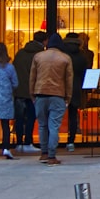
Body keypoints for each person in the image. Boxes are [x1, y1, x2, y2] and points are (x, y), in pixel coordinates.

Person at [30, 33, 73, 165]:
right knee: (54, 126)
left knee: (42, 125)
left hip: (40, 93)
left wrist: (32, 94)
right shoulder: (65, 58)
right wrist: (68, 98)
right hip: (58, 94)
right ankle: (52, 155)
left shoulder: (38, 56)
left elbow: (33, 77)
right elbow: (68, 80)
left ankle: (43, 153)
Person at [12, 31, 46, 153]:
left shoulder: (20, 53)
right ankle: (28, 141)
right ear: (44, 41)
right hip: (33, 91)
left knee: (19, 118)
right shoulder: (40, 55)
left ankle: (18, 142)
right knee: (31, 117)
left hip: (19, 90)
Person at [61, 32, 89, 152]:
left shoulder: (61, 54)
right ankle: (71, 141)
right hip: (76, 86)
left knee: (55, 115)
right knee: (73, 115)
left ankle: (52, 140)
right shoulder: (82, 55)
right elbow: (85, 72)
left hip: (61, 86)